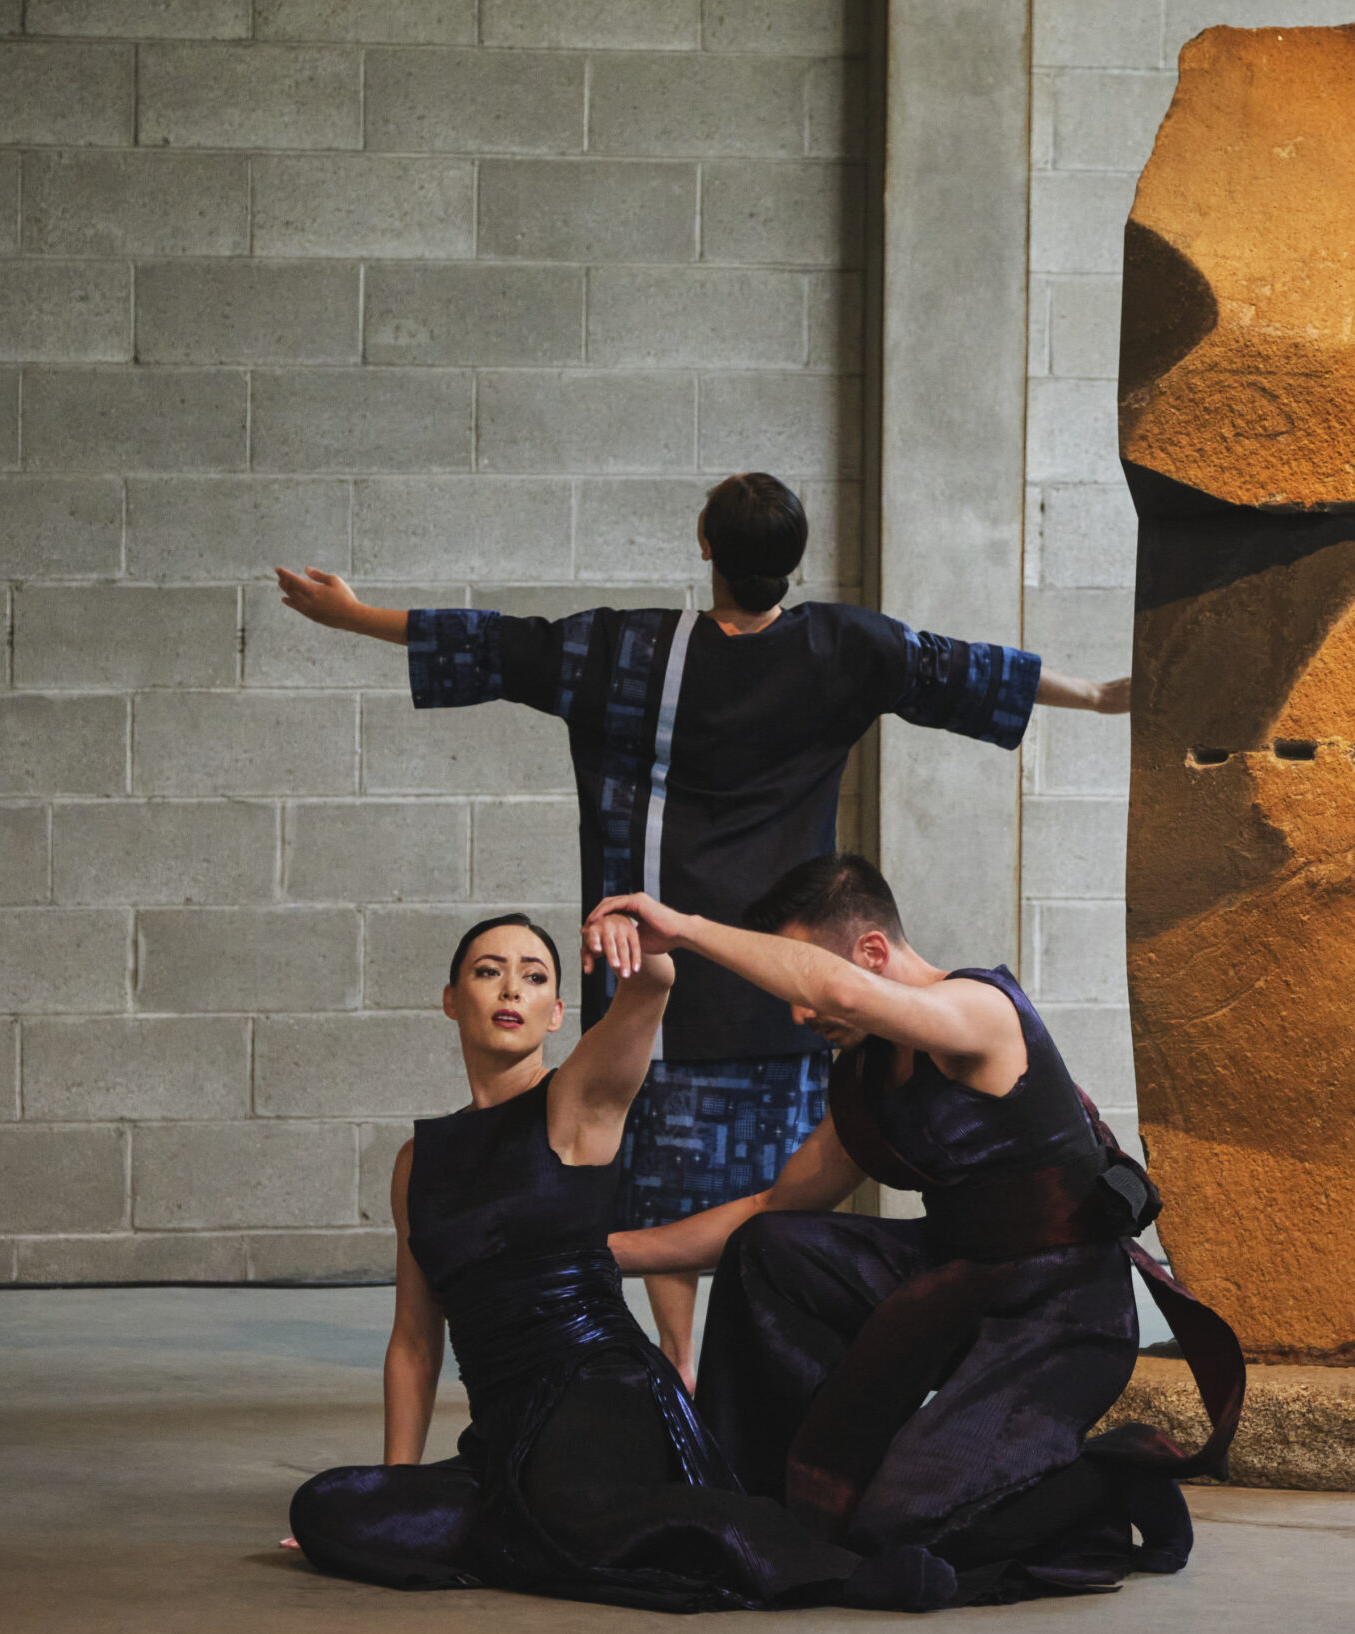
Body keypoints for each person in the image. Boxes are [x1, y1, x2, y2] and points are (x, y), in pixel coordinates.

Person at [274, 472, 1128, 1386]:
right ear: (794, 563)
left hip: (653, 966)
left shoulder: (635, 649)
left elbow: (504, 647)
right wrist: (1104, 696)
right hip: (785, 979)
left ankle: (676, 1364)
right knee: (779, 1201)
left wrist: (355, 615)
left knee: (651, 1179)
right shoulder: (846, 646)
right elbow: (961, 667)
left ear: (704, 542)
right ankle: (756, 1367)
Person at [591, 856, 1244, 1605]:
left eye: (806, 976)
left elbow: (832, 989)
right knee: (769, 1251)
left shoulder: (980, 1010)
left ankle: (1111, 1480)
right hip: (955, 1284)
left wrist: (686, 930)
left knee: (899, 1527)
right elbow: (768, 1210)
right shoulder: (869, 1075)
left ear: (871, 953)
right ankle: (762, 1496)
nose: (800, 1013)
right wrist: (604, 1253)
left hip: (1063, 1314)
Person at [285, 911, 950, 1612]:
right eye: (488, 972)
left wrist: (649, 953)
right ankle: (525, 1532)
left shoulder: (576, 1102)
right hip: (504, 1429)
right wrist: (396, 1491)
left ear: (555, 1013)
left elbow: (649, 995)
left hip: (601, 1386)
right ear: (453, 999)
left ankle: (838, 1571)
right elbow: (415, 1344)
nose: (511, 988)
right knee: (326, 1507)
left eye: (534, 976)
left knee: (571, 1509)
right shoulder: (417, 1164)